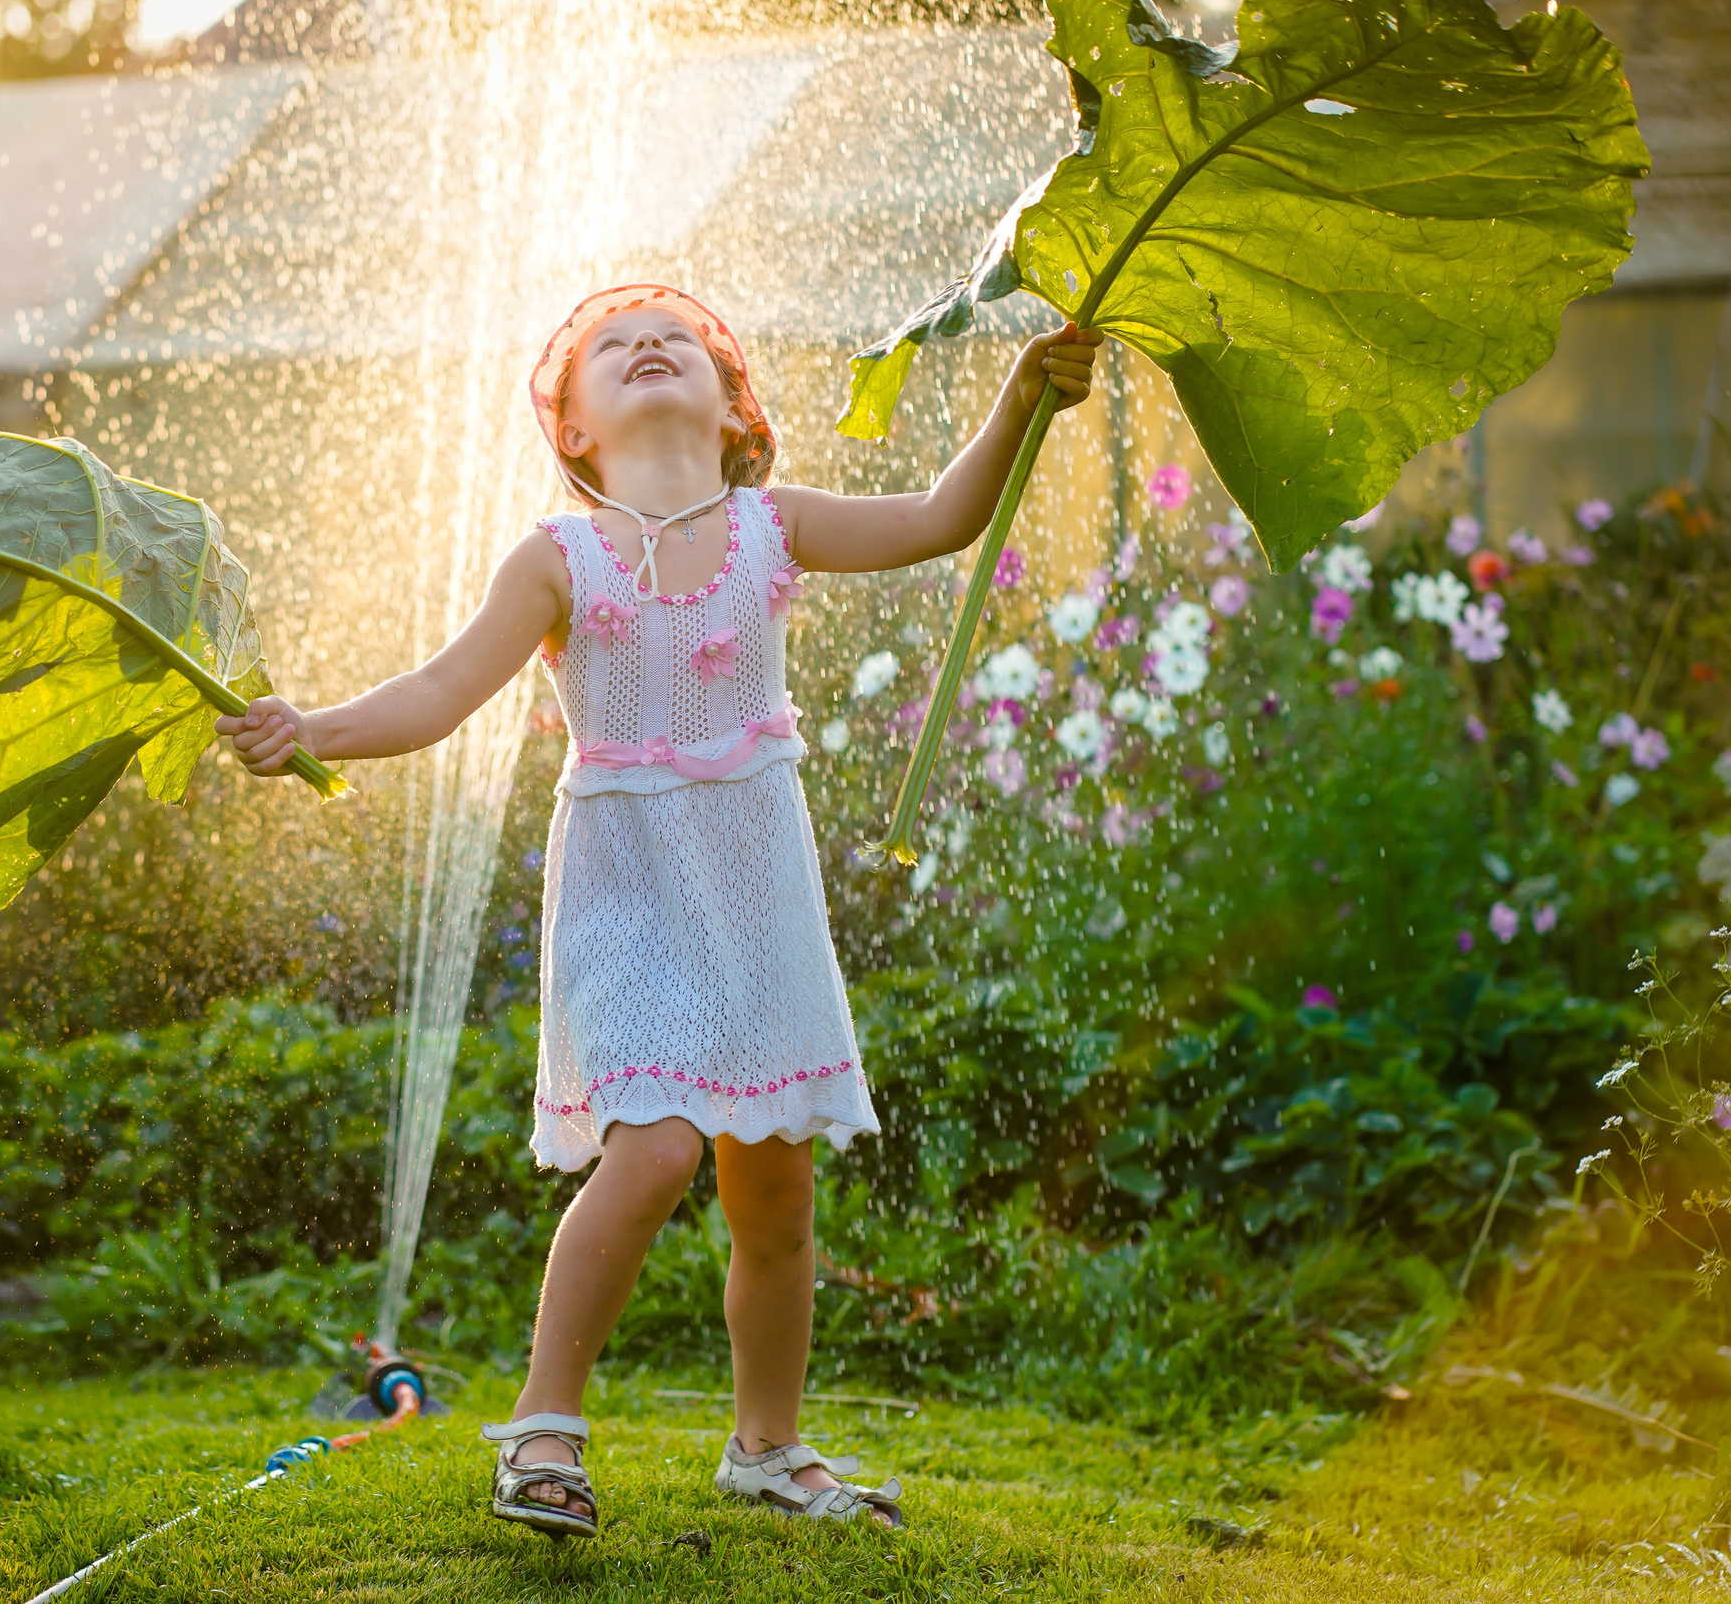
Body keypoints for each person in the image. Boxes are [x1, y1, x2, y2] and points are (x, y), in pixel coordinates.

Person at [216, 284, 1100, 1537]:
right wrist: (316, 728)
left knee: (773, 1190)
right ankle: (540, 1430)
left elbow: (942, 520)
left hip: (757, 892)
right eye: (607, 350)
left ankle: (768, 1447)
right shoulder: (557, 560)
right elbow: (438, 690)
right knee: (658, 1145)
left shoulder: (771, 527)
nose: (645, 344)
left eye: (674, 338)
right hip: (629, 894)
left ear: (730, 402)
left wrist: (1020, 399)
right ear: (572, 430)